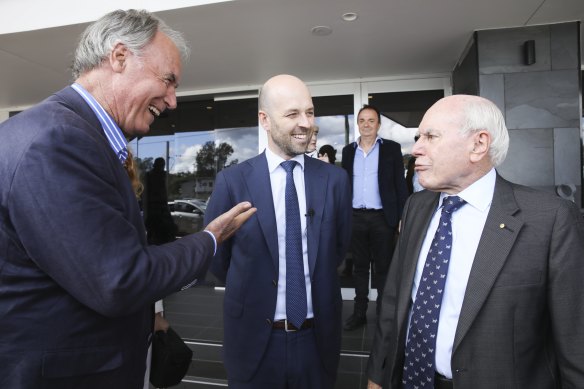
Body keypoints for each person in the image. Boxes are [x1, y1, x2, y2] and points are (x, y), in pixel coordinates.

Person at [0, 9, 255, 389]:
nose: (171, 101)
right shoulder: (58, 141)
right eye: (168, 81)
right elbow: (119, 281)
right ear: (119, 57)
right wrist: (210, 239)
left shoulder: (64, 132)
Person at [367, 95, 584, 389]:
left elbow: (574, 341)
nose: (416, 148)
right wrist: (377, 377)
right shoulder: (416, 206)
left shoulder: (550, 219)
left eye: (430, 136)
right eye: (419, 137)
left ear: (478, 144)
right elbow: (393, 301)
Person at [204, 74, 352, 389]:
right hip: (254, 343)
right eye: (292, 114)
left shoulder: (335, 181)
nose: (305, 123)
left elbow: (337, 250)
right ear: (265, 120)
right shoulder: (233, 182)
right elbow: (219, 261)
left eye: (310, 112)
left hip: (316, 342)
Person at [341, 105, 409, 331]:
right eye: (362, 120)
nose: (367, 124)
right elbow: (344, 185)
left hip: (382, 218)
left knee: (383, 268)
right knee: (359, 268)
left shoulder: (391, 149)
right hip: (355, 217)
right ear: (358, 124)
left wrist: (401, 216)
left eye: (371, 120)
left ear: (378, 124)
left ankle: (383, 313)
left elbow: (400, 185)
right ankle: (359, 313)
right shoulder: (348, 151)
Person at [144, 157, 177, 245]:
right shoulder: (151, 176)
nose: (162, 168)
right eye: (161, 165)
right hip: (155, 208)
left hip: (158, 207)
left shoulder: (161, 175)